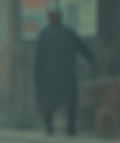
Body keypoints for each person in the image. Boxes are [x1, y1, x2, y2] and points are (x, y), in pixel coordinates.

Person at [34, 8, 95, 136]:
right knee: (70, 102)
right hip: (68, 75)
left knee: (49, 102)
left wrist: (37, 76)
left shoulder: (44, 35)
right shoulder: (68, 32)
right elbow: (83, 48)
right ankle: (71, 129)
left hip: (50, 76)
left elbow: (39, 59)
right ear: (60, 18)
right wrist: (92, 59)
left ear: (49, 19)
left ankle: (49, 127)